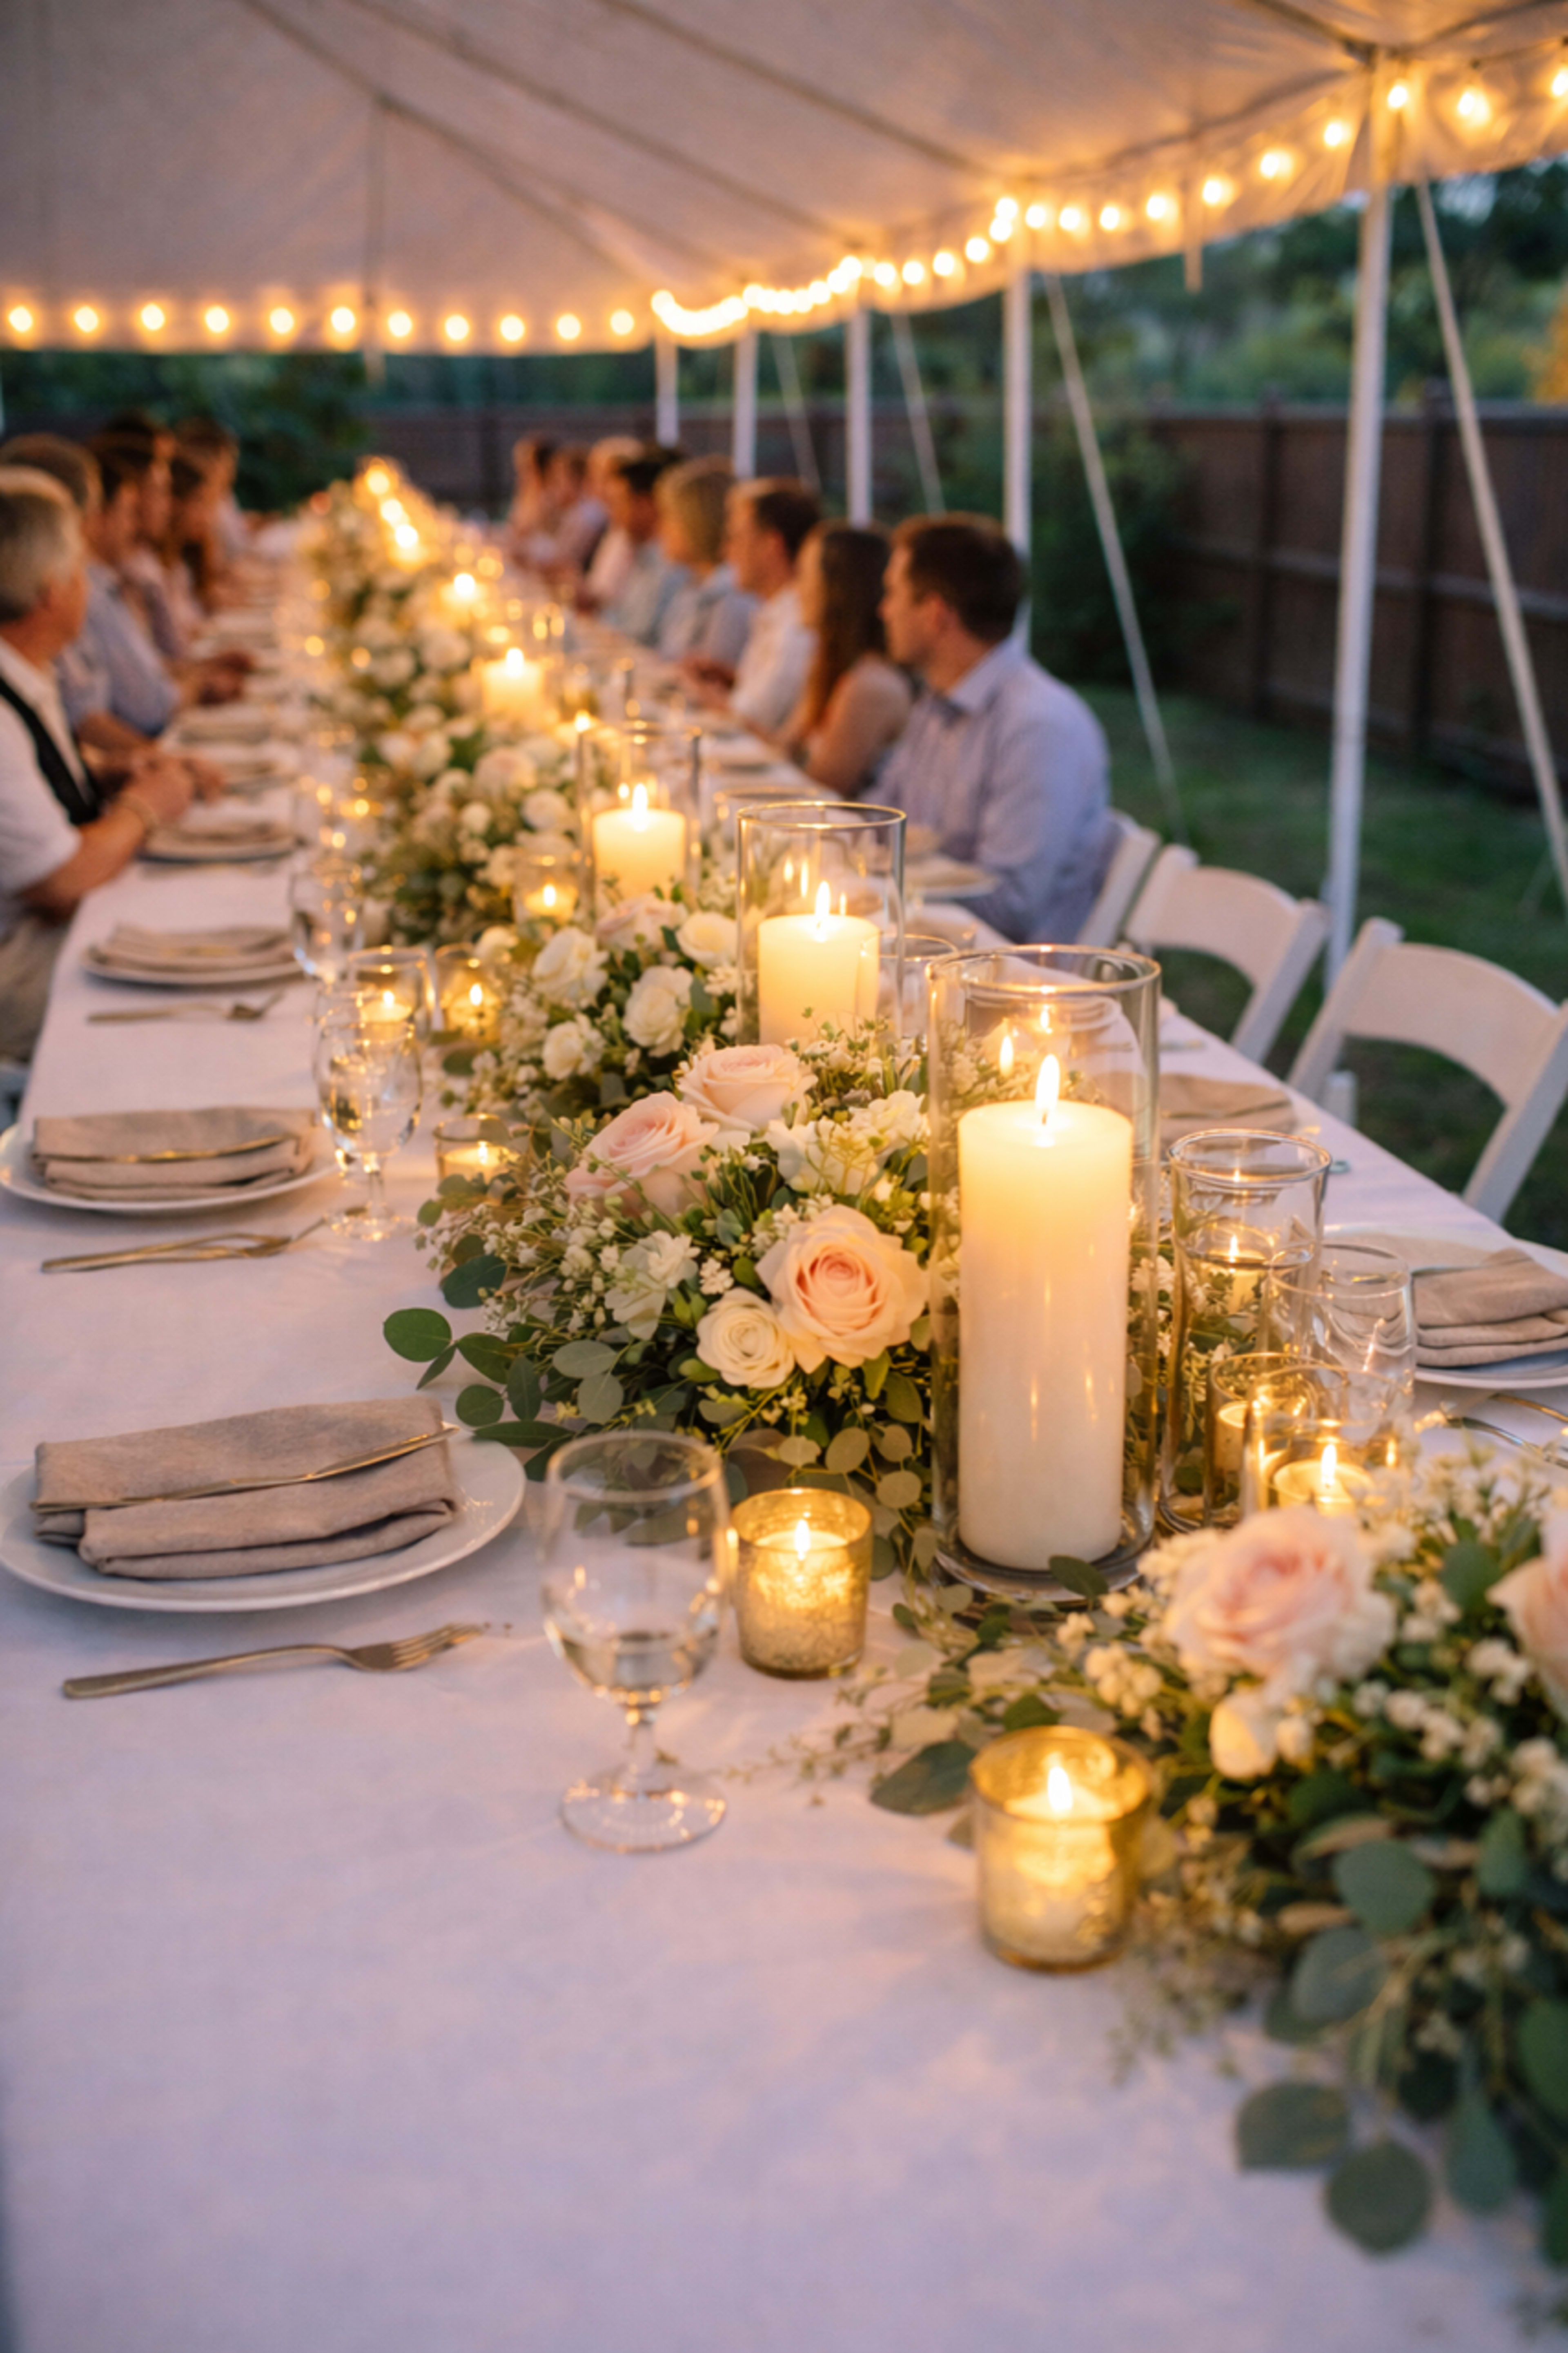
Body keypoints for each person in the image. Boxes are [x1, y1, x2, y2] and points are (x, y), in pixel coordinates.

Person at [0, 469, 192, 1060]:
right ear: (52, 591)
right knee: (199, 1002)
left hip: (54, 943)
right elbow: (60, 882)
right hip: (23, 973)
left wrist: (108, 769)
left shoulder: (26, 669)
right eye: (80, 570)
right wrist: (144, 808)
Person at [878, 515, 1115, 944]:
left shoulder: (1038, 727)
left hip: (1004, 975)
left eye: (893, 594)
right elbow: (883, 816)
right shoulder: (935, 699)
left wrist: (879, 885)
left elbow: (1011, 907)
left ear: (935, 615)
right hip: (925, 940)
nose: (884, 610)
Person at [777, 521, 910, 799]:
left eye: (805, 576)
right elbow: (784, 749)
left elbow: (817, 791)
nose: (796, 588)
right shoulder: (833, 664)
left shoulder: (871, 685)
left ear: (839, 590)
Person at [685, 478, 820, 735]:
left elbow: (750, 720)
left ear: (771, 546)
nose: (727, 551)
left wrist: (693, 689)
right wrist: (732, 679)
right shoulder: (775, 612)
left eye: (737, 538)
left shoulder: (796, 626)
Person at [655, 457, 755, 670]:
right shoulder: (693, 583)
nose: (661, 528)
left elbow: (703, 681)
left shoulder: (731, 597)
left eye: (670, 518)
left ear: (697, 523)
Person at [600, 445, 686, 646]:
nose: (613, 515)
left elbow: (640, 636)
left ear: (646, 505)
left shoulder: (670, 562)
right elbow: (624, 619)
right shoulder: (642, 552)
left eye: (620, 503)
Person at [576, 436, 642, 611]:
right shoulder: (612, 528)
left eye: (607, 478)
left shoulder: (636, 534)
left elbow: (623, 608)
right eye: (597, 477)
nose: (603, 488)